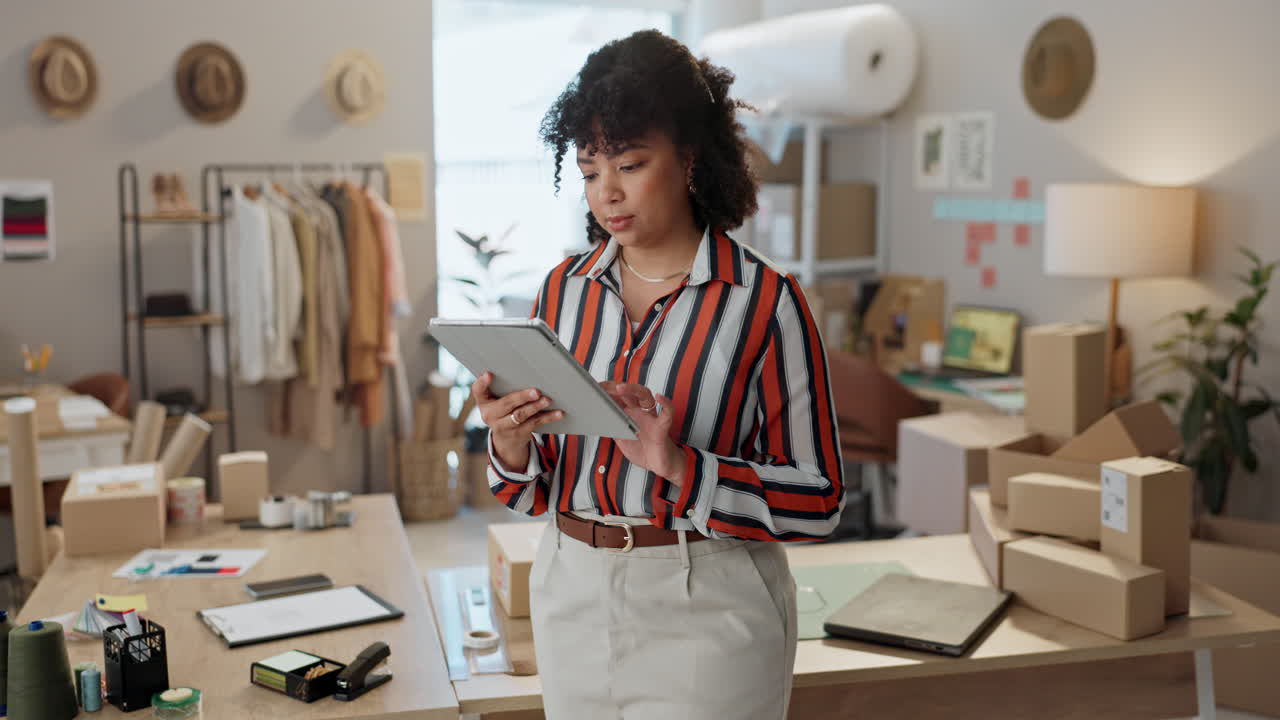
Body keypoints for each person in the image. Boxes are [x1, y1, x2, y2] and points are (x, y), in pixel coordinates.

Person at [469, 29, 843, 720]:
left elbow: (819, 501)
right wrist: (513, 445)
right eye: (587, 172)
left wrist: (680, 466)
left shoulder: (765, 301)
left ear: (691, 158)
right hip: (571, 593)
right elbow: (530, 491)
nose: (606, 193)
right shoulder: (561, 293)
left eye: (630, 164)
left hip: (709, 605)